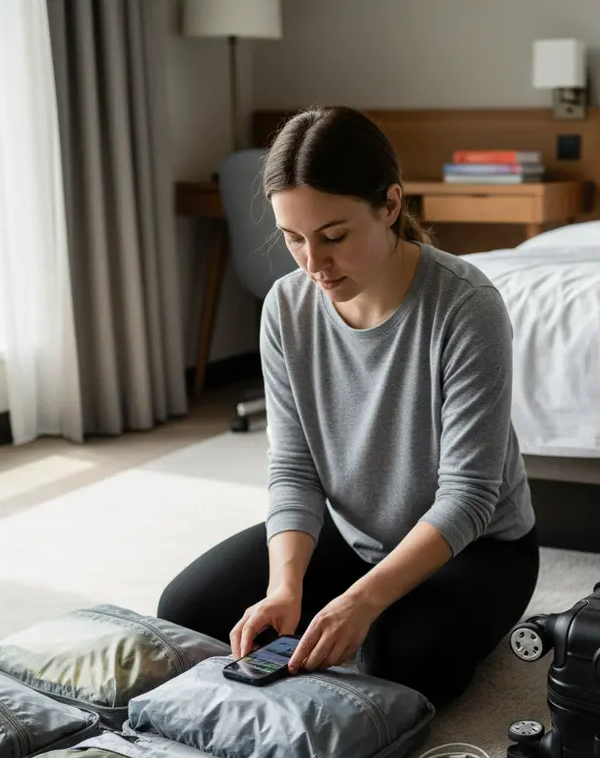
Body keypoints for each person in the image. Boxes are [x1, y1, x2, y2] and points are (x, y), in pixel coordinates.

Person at [157, 106, 539, 707]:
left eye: (334, 236)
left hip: (476, 549)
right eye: (292, 239)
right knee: (186, 613)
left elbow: (469, 496)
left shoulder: (467, 305)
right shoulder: (286, 308)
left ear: (390, 205)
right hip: (353, 533)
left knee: (398, 662)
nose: (313, 263)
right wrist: (287, 586)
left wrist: (359, 601)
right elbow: (293, 469)